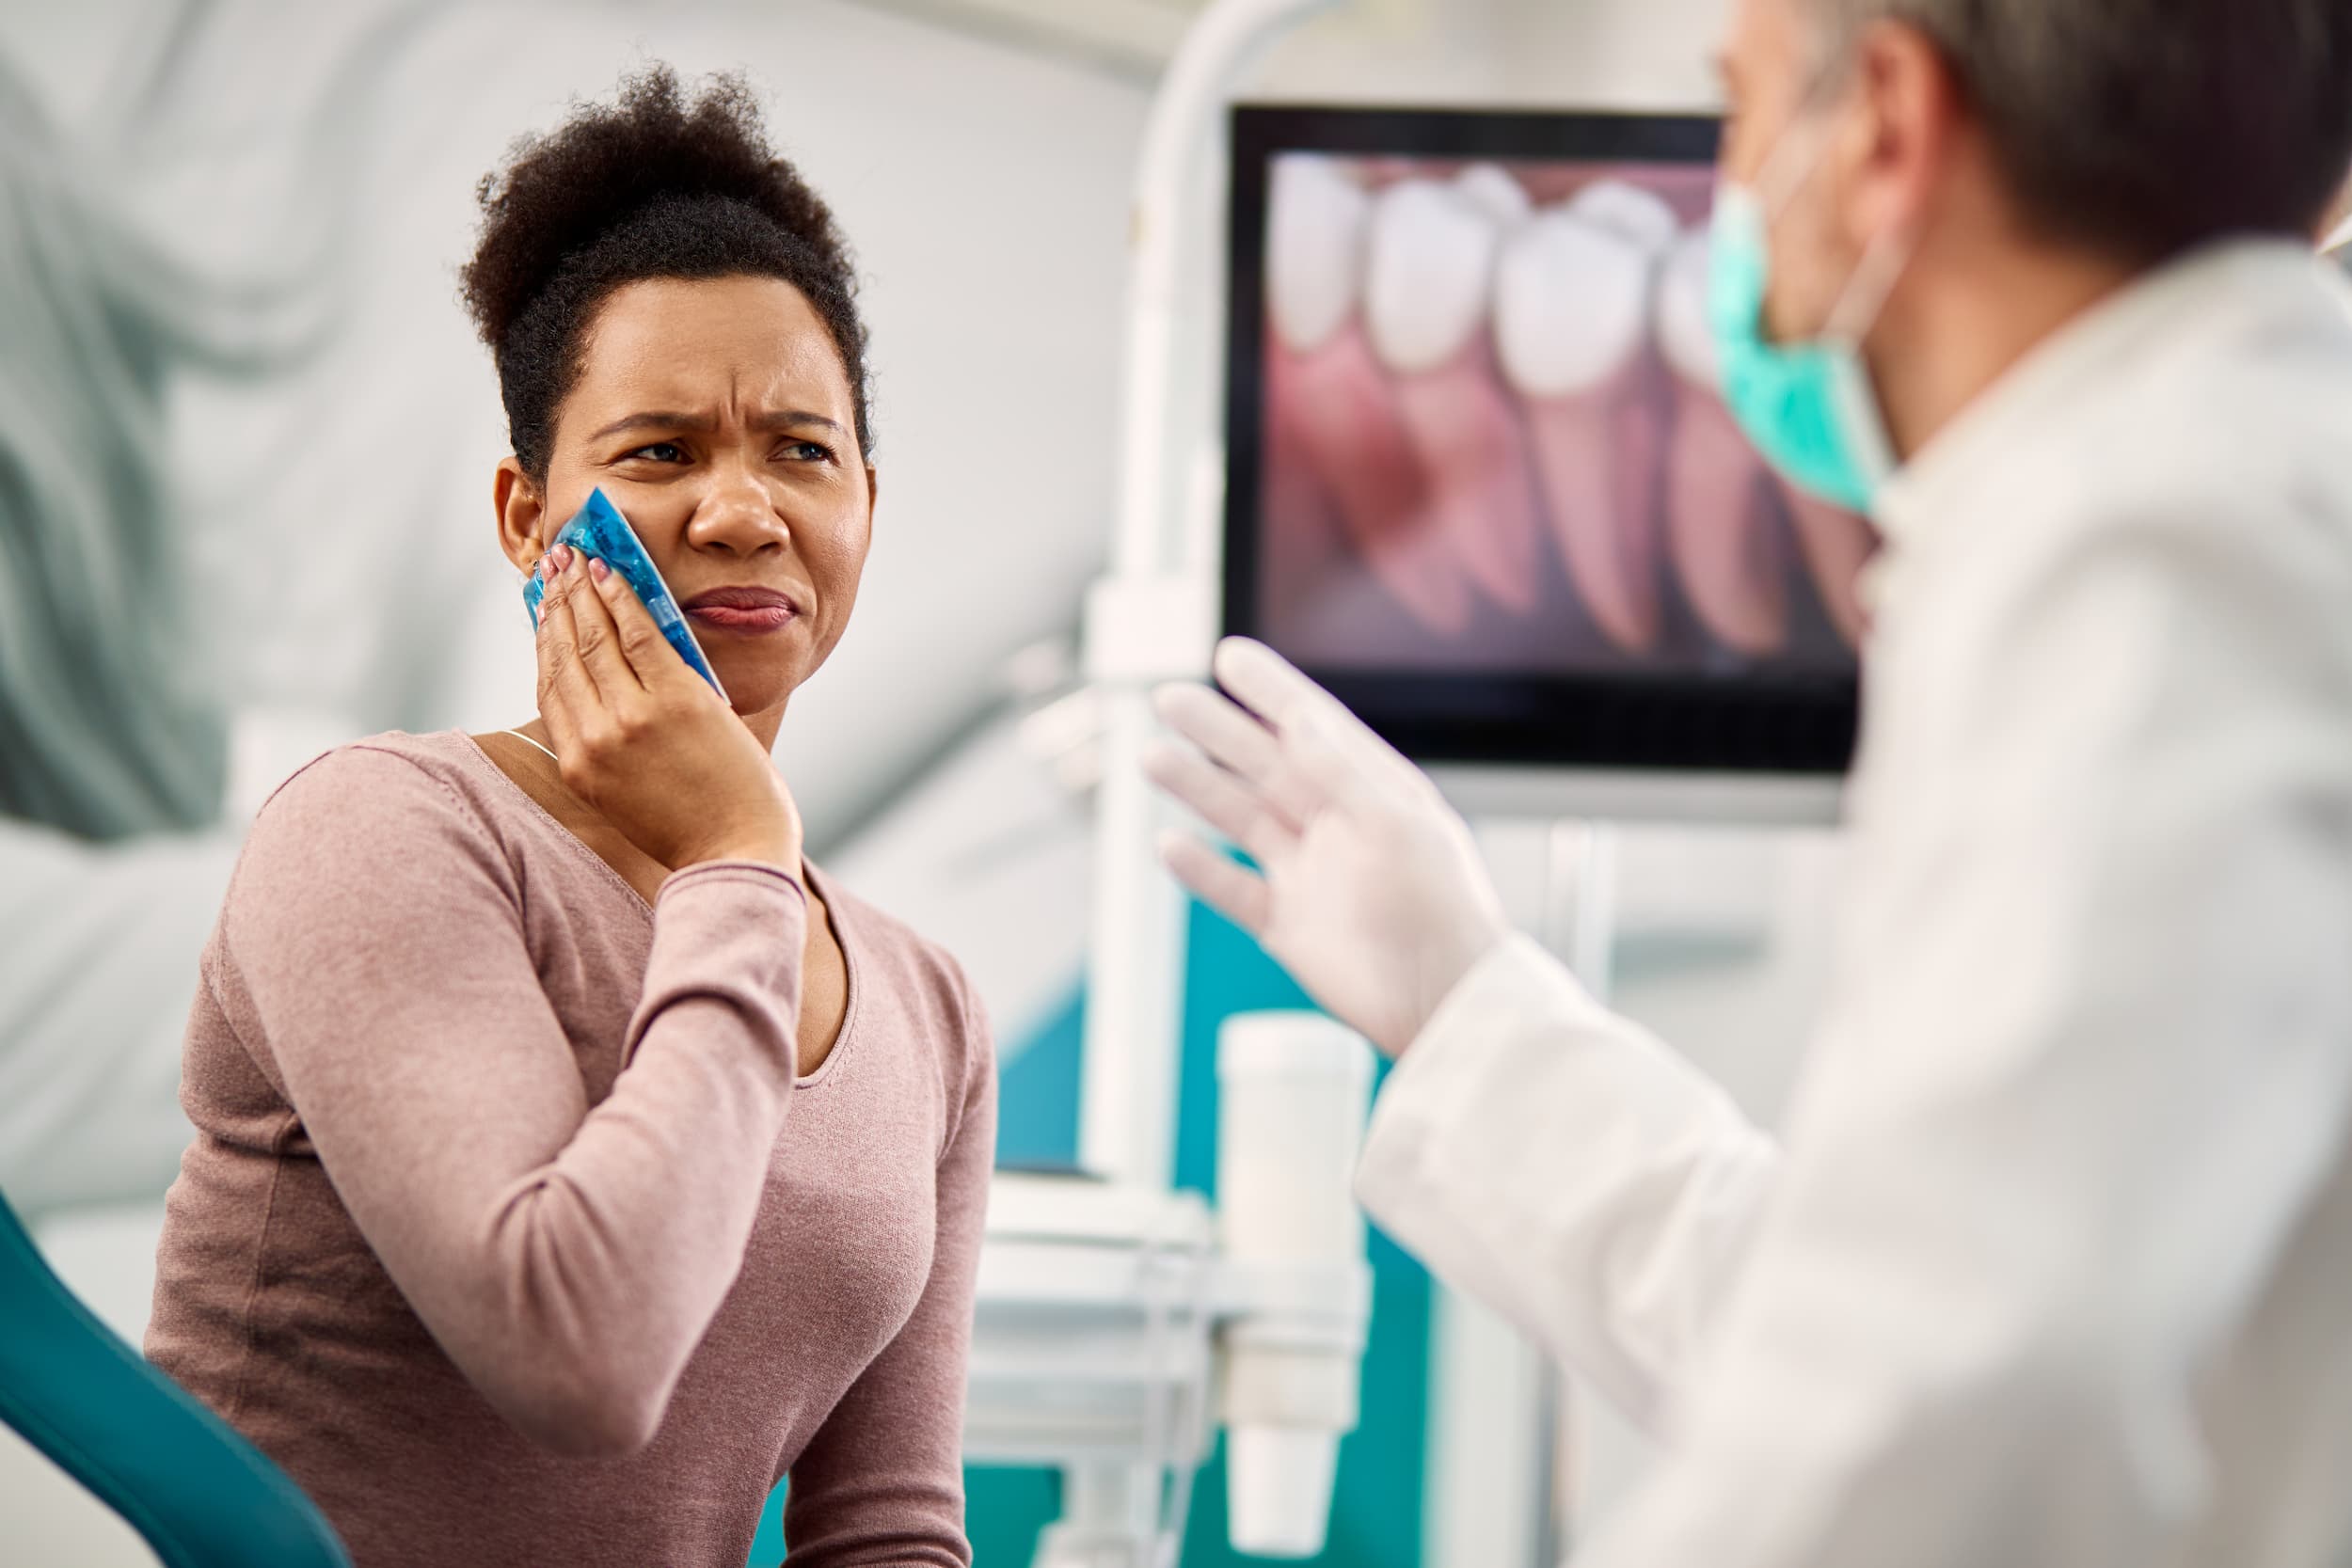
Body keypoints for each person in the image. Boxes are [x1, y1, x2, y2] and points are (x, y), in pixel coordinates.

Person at [1148, 0, 2352, 1563]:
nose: (1728, 196)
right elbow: (1887, 1317)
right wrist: (1464, 1000)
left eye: (1740, 111)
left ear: (1887, 131)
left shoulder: (2144, 549)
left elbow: (1953, 1421)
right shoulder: (2217, 494)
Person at [143, 68, 995, 1568]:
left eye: (804, 449)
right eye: (659, 452)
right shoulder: (382, 832)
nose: (745, 512)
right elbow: (579, 1353)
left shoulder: (928, 1011)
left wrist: (738, 849)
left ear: (868, 499)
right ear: (529, 518)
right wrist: (736, 849)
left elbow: (887, 1530)